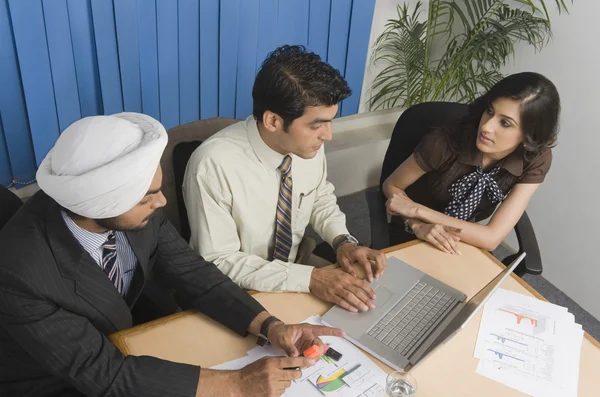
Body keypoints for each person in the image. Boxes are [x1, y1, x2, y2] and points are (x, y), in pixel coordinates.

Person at [0, 113, 343, 397]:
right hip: (53, 379)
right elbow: (101, 373)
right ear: (100, 205)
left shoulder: (134, 208)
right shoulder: (21, 271)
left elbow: (194, 273)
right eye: (148, 197)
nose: (161, 202)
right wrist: (238, 383)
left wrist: (271, 326)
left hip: (128, 339)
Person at [183, 45, 387, 314]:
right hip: (233, 292)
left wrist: (343, 241)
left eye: (330, 122)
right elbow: (220, 260)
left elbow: (319, 196)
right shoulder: (212, 165)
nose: (328, 136)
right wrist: (311, 279)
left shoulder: (307, 144)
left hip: (295, 275)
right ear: (272, 121)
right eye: (317, 125)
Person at [383, 72, 560, 254]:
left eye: (505, 123)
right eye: (489, 111)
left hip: (465, 238)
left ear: (530, 136)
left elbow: (491, 238)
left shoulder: (535, 158)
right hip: (412, 232)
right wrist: (417, 223)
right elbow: (392, 185)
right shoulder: (444, 142)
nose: (486, 127)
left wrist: (418, 210)